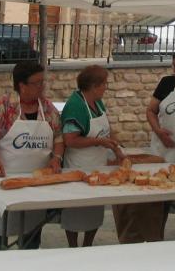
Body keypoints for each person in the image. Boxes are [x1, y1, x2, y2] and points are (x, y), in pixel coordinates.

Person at [113, 47, 175, 243]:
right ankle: (156, 239)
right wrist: (158, 131)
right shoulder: (167, 83)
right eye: (174, 66)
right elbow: (151, 111)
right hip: (164, 155)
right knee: (160, 202)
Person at [0, 61, 64, 250]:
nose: (42, 86)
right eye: (37, 83)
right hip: (4, 178)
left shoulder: (48, 109)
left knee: (32, 228)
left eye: (43, 82)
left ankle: (29, 257)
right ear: (22, 86)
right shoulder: (2, 106)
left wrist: (56, 158)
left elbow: (58, 138)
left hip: (35, 181)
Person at [61, 65, 124, 247]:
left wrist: (117, 150)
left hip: (98, 166)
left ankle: (88, 245)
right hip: (78, 167)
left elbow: (108, 129)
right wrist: (98, 141)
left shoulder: (97, 102)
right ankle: (73, 247)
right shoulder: (75, 106)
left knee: (95, 210)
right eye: (104, 84)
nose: (106, 87)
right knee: (74, 210)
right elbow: (70, 140)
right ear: (94, 86)